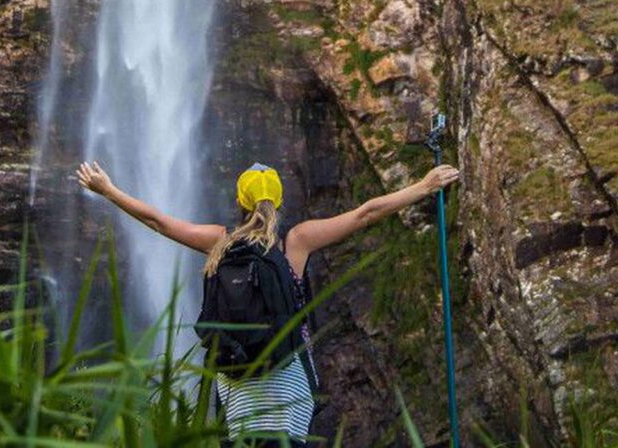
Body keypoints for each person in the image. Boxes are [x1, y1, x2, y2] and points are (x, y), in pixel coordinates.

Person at [76, 160, 461, 447]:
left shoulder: (219, 241)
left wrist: (109, 190)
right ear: (278, 199)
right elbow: (365, 214)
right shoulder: (297, 242)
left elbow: (158, 222)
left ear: (239, 200)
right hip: (286, 375)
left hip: (234, 378)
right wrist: (424, 186)